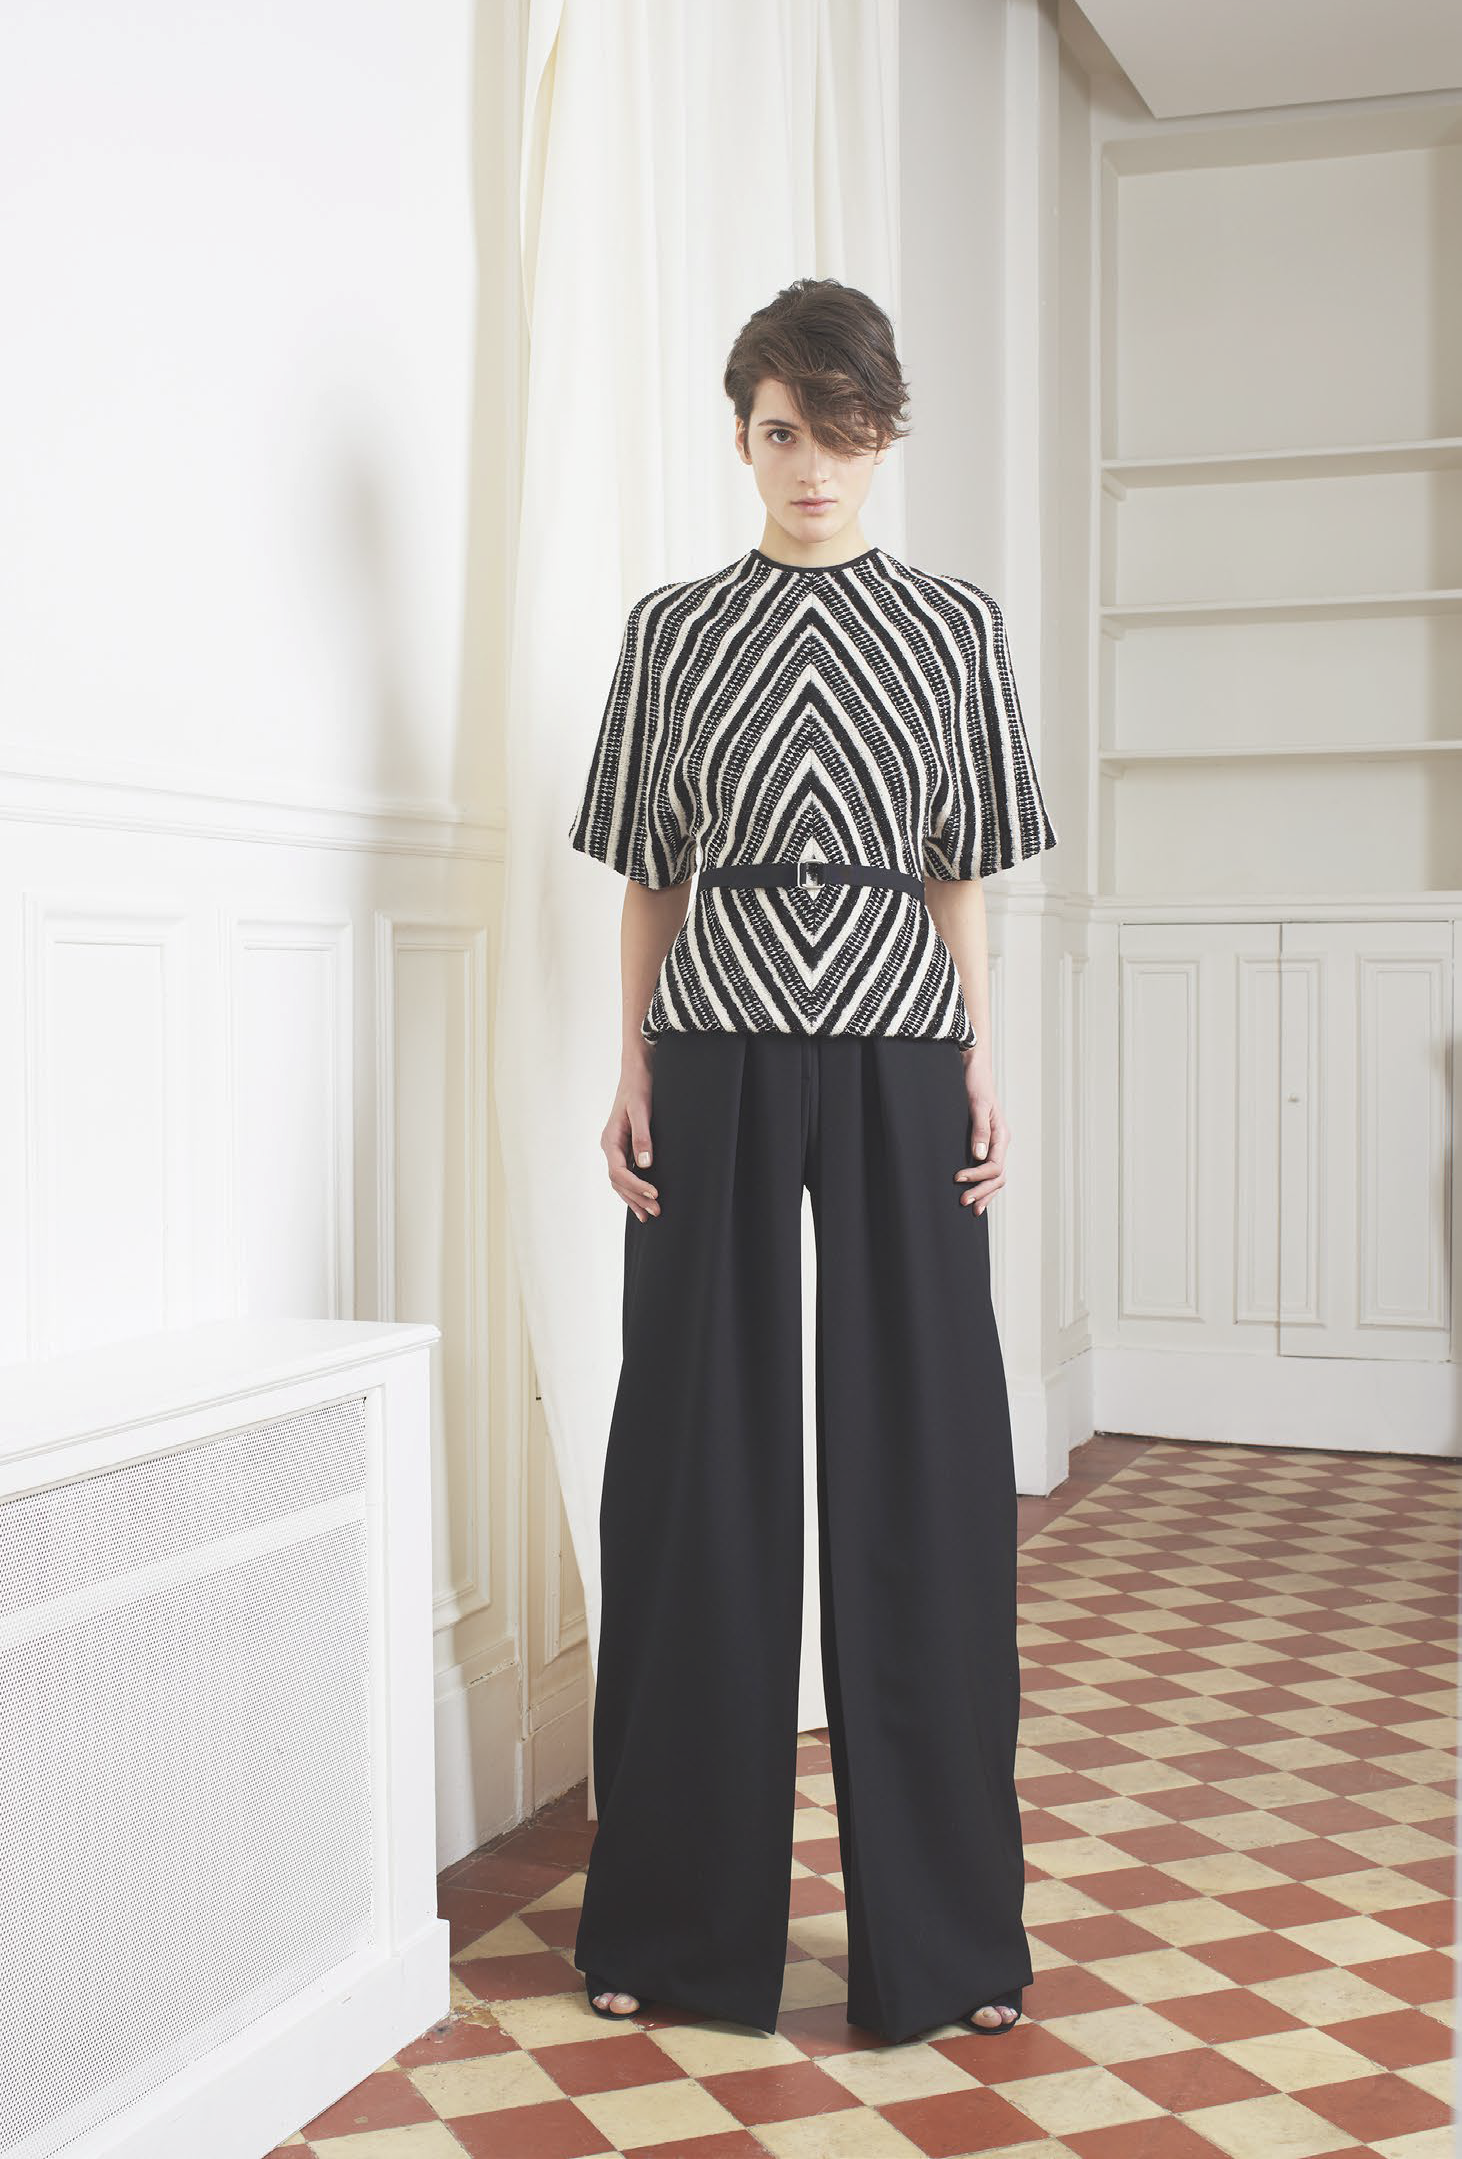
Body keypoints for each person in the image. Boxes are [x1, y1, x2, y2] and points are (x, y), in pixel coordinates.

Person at [566, 276, 1058, 2047]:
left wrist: (980, 1053)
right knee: (692, 1457)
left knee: (924, 1461)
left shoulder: (954, 626)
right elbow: (648, 871)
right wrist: (628, 1058)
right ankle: (677, 1924)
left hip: (903, 1044)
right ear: (742, 436)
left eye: (842, 434)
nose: (812, 466)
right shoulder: (671, 631)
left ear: (884, 434)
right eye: (782, 432)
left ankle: (949, 1940)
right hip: (710, 1043)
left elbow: (960, 871)